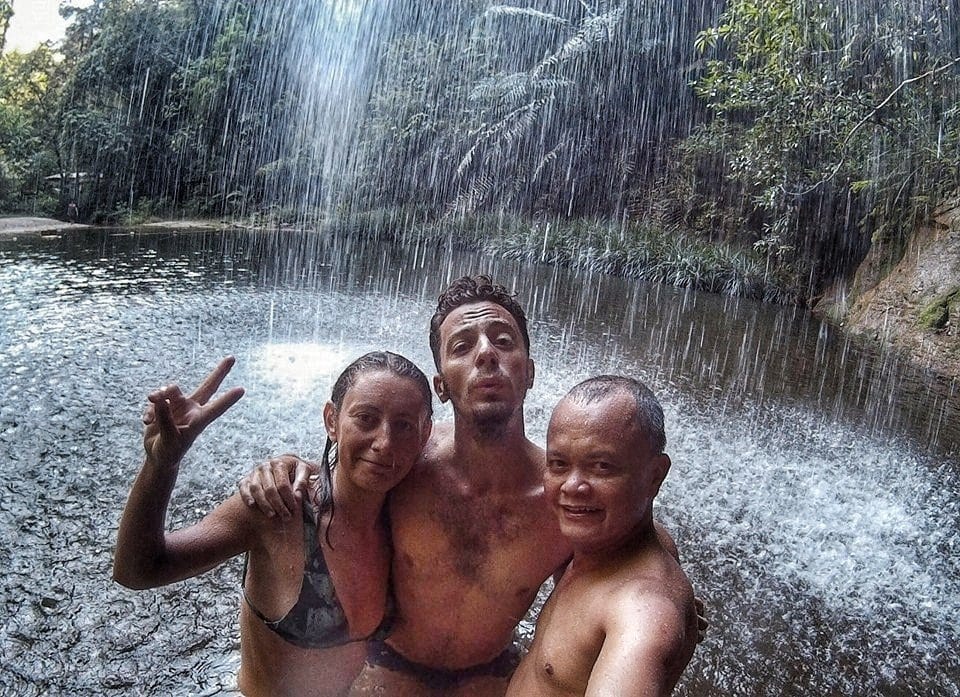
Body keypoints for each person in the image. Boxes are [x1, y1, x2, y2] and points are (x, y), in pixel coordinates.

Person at [240, 276, 704, 696]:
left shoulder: (562, 496)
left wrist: (672, 595)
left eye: (503, 341)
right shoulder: (405, 466)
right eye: (462, 345)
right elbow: (347, 471)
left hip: (492, 677)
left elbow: (632, 541)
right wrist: (288, 468)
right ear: (440, 386)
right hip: (388, 668)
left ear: (530, 372)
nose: (486, 353)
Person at [113, 352, 433, 697]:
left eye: (403, 425)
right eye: (366, 418)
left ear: (425, 432)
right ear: (332, 420)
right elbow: (138, 571)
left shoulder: (407, 518)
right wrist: (161, 465)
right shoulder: (280, 508)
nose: (384, 442)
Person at [505, 375, 698, 697]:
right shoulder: (608, 542)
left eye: (602, 466)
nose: (572, 487)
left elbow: (647, 620)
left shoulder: (641, 616)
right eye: (559, 464)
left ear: (655, 476)